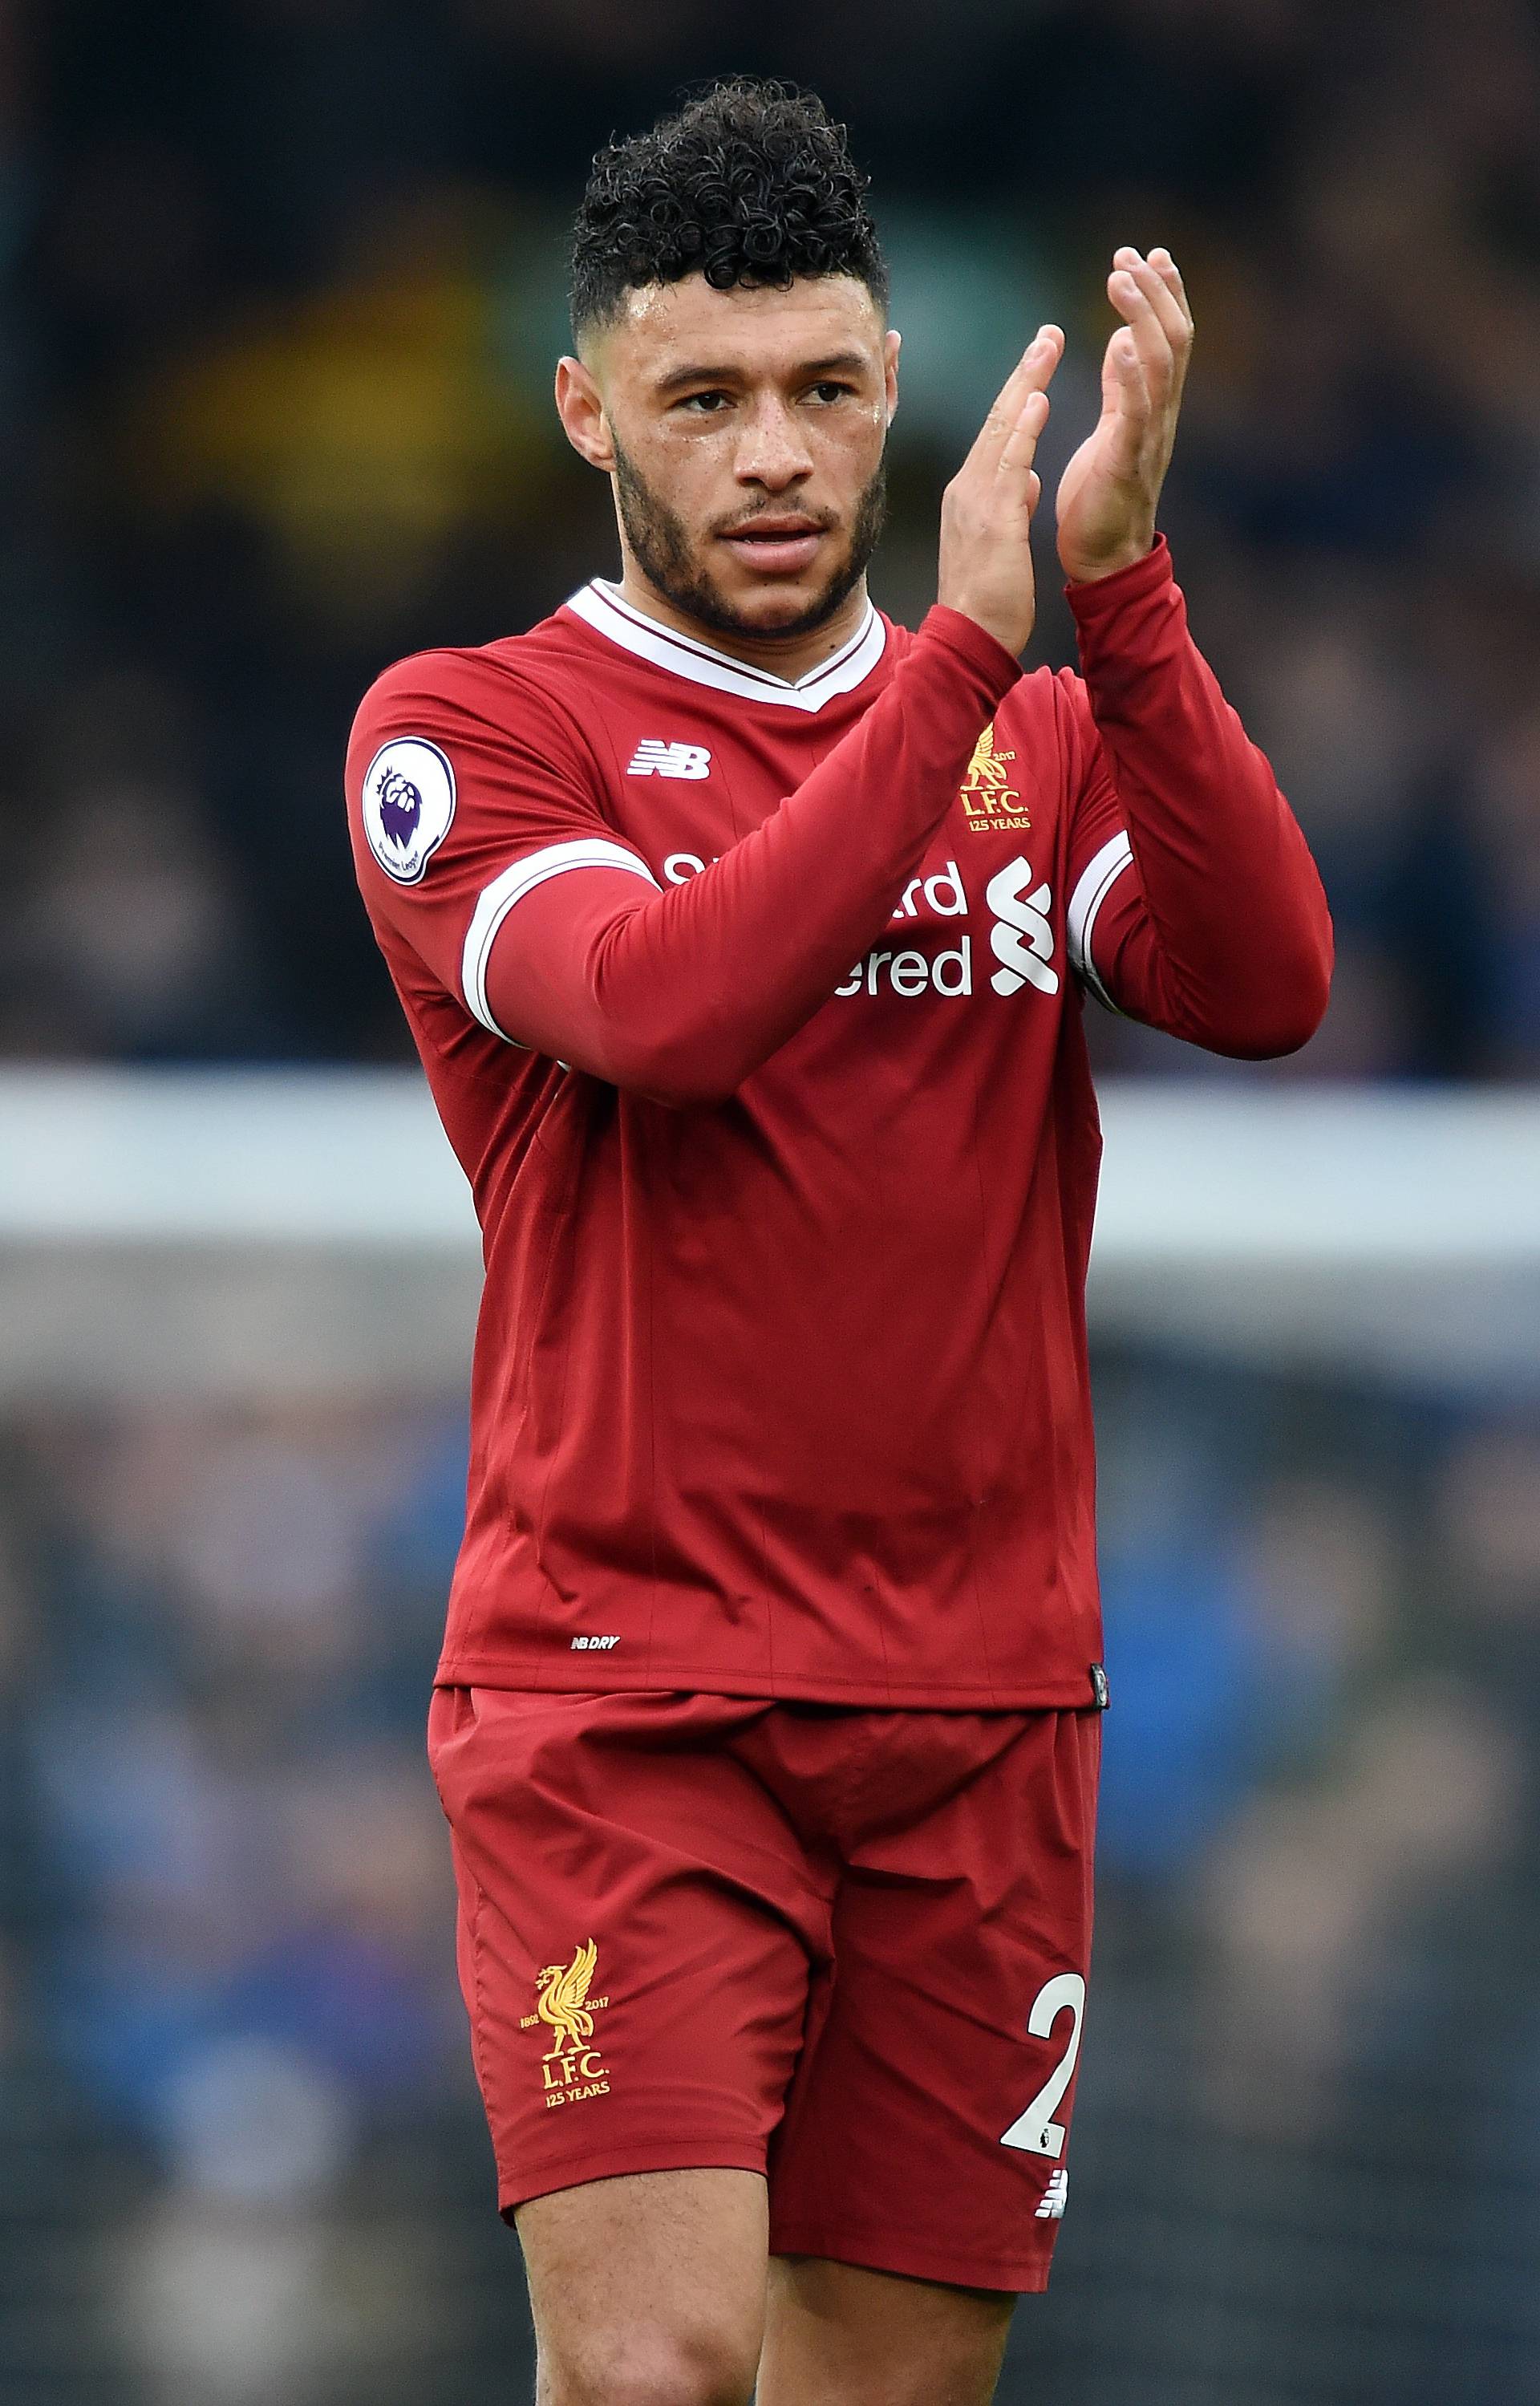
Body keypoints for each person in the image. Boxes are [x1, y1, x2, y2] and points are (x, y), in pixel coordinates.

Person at [345, 75, 1331, 2406]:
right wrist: (970, 668)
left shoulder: (1036, 737)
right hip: (634, 1692)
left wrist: (1129, 598)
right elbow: (671, 1011)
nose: (773, 454)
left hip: (983, 1702)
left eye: (820, 392)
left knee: (884, 2385)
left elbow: (1268, 984)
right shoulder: (478, 734)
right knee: (663, 2373)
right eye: (704, 400)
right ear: (589, 408)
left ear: (892, 387)